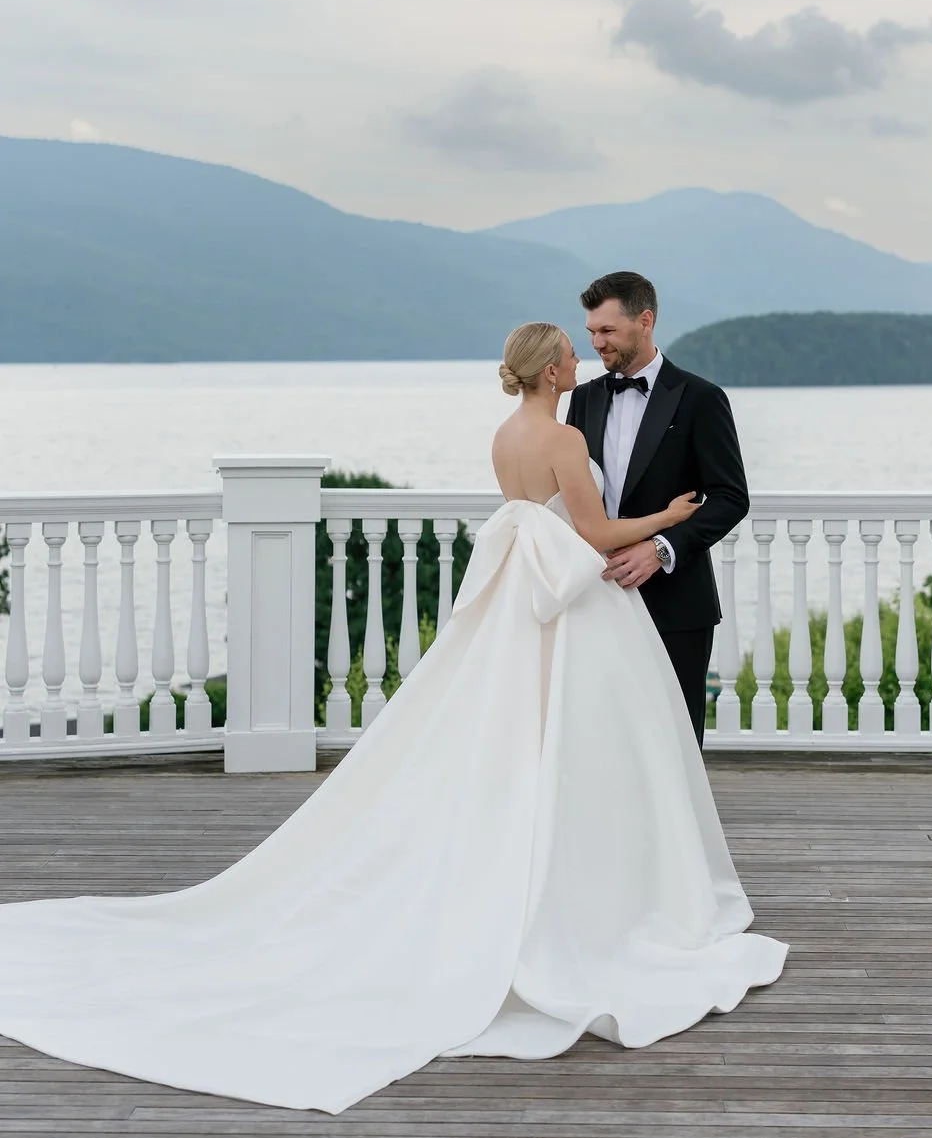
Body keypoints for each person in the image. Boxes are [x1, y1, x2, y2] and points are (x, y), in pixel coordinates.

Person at [0, 323, 785, 1115]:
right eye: (573, 354)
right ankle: (584, 882)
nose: (582, 361)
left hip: (520, 599)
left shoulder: (505, 435)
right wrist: (668, 515)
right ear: (553, 369)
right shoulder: (563, 441)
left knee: (506, 734)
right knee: (577, 740)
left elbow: (533, 519)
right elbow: (593, 534)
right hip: (571, 607)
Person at [566, 273, 750, 746]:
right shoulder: (584, 399)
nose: (596, 342)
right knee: (600, 736)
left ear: (644, 321)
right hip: (597, 595)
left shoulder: (701, 399)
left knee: (675, 740)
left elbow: (731, 497)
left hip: (676, 603)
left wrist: (662, 548)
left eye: (606, 331)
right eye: (591, 332)